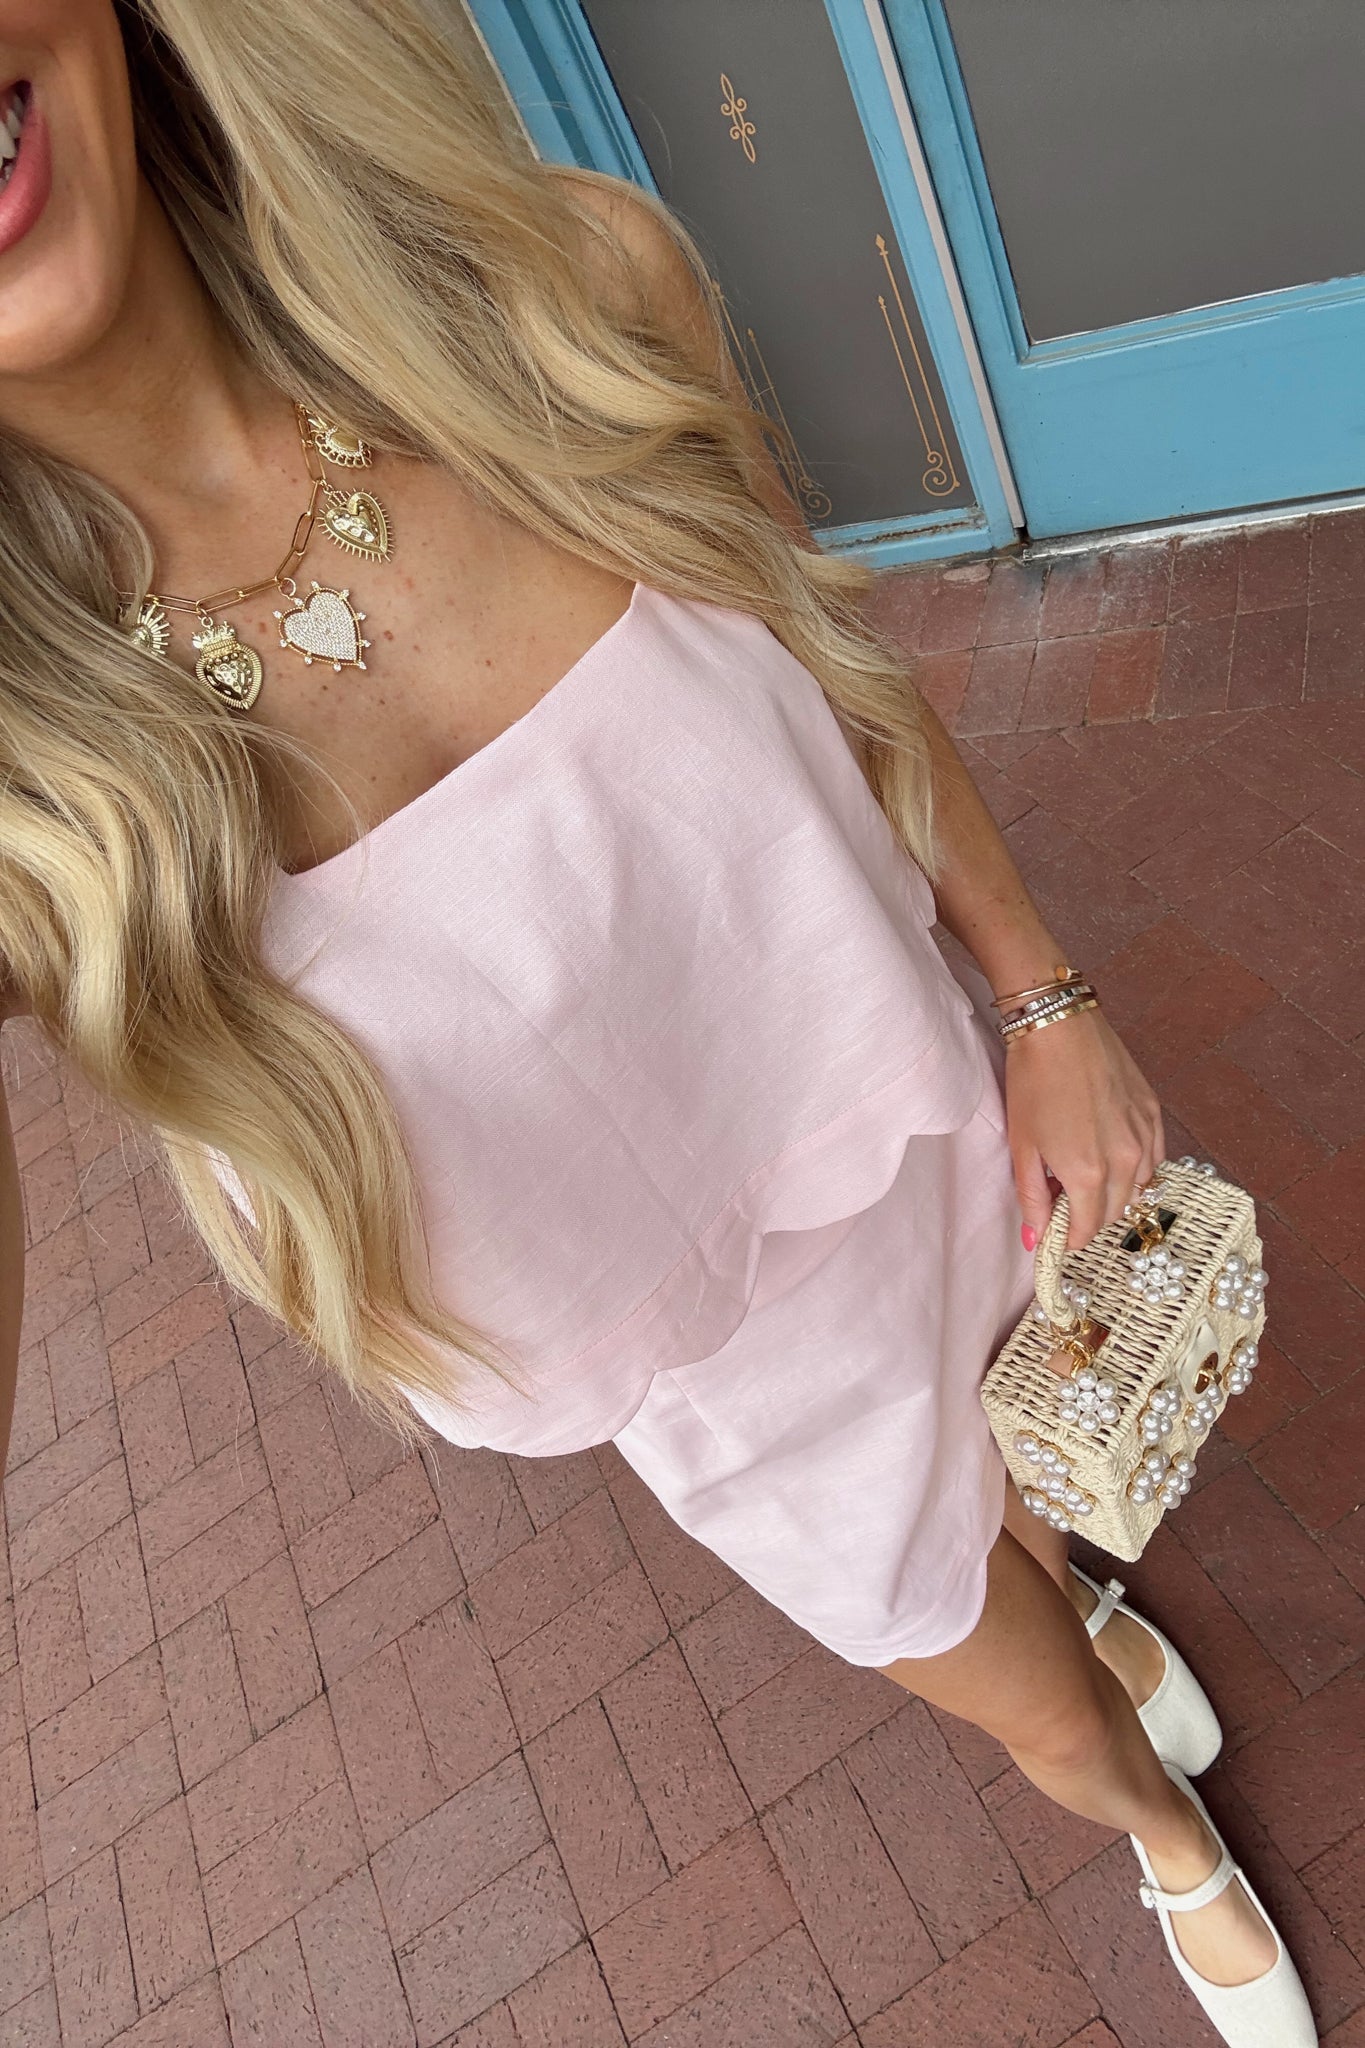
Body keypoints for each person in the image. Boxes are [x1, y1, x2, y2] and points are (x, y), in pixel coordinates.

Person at [0, 5, 1313, 2041]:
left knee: (1048, 1488)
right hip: (734, 1391)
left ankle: (1082, 1596)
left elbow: (829, 658)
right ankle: (1164, 1836)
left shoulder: (561, 296)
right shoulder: (31, 801)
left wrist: (1041, 993)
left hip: (945, 1141)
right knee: (1041, 1712)